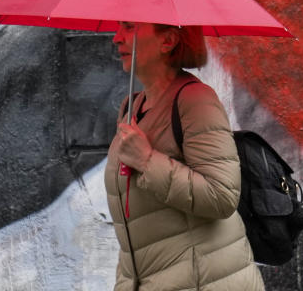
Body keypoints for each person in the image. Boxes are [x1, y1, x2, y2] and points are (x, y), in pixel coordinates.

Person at [106, 21, 264, 291]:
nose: (116, 38)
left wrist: (147, 160)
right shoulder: (131, 107)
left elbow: (222, 196)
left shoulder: (195, 100)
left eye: (130, 28)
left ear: (167, 41)